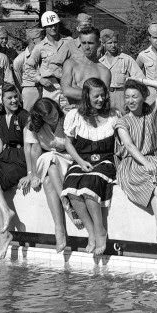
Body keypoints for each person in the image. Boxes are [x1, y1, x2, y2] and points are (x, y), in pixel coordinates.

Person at [115, 77, 157, 243]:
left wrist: (140, 80)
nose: (130, 100)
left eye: (135, 96)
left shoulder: (151, 113)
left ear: (143, 97)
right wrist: (145, 163)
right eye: (127, 97)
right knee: (150, 176)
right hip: (131, 163)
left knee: (153, 183)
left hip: (151, 161)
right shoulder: (122, 121)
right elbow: (129, 146)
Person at [62, 77, 120, 255]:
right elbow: (68, 143)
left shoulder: (112, 115)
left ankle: (100, 230)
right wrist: (80, 161)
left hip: (105, 159)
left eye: (103, 96)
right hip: (82, 158)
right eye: (96, 96)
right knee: (71, 188)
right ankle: (91, 232)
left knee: (89, 186)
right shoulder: (75, 116)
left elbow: (121, 142)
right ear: (86, 96)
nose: (101, 100)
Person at [0, 83, 29, 258]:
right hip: (5, 157)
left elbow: (30, 146)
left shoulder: (24, 116)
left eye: (15, 96)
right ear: (1, 100)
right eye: (9, 98)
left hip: (20, 159)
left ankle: (4, 236)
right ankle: (6, 211)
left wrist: (30, 173)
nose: (14, 100)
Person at [19, 97, 72, 253]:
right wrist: (32, 174)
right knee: (49, 159)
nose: (53, 118)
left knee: (48, 181)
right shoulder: (33, 125)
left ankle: (59, 227)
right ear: (41, 117)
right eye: (48, 117)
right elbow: (32, 149)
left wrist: (62, 146)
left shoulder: (68, 117)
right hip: (48, 159)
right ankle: (61, 220)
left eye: (54, 113)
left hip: (69, 158)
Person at [100, 28, 144, 104]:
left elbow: (140, 78)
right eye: (110, 43)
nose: (113, 45)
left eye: (115, 42)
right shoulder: (100, 62)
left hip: (122, 97)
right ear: (103, 44)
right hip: (105, 97)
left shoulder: (126, 59)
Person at [9, 25, 48, 110]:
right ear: (33, 41)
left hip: (45, 89)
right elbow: (18, 81)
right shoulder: (20, 60)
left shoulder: (44, 54)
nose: (45, 42)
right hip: (30, 90)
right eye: (41, 39)